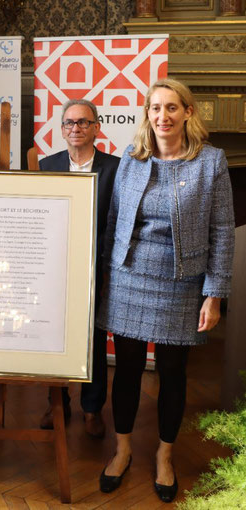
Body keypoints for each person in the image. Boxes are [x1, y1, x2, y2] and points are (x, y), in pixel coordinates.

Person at [96, 78, 234, 503]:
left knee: (173, 373)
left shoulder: (210, 162)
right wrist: (102, 278)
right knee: (128, 370)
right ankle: (121, 451)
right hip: (128, 278)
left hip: (182, 283)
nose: (163, 116)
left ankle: (164, 455)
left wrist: (215, 294)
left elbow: (222, 232)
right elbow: (116, 221)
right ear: (147, 115)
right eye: (155, 108)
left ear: (187, 112)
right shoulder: (132, 159)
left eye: (172, 108)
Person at [38, 99, 119, 438]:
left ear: (96, 128)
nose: (76, 129)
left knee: (94, 339)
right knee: (53, 335)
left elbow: (116, 222)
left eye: (84, 123)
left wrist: (103, 265)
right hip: (55, 267)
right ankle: (57, 403)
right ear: (61, 129)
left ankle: (92, 408)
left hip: (98, 267)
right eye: (70, 123)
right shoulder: (46, 165)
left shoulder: (116, 167)